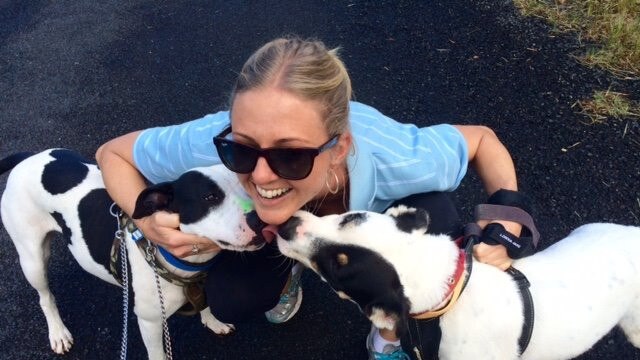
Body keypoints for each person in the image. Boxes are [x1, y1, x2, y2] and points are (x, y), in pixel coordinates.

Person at [96, 36, 528, 360]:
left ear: (338, 148)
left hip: (374, 213)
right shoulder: (209, 142)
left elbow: (482, 142)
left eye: (291, 155)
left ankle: (391, 334)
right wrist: (145, 219)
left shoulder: (399, 156)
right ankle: (292, 271)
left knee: (439, 223)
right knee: (230, 299)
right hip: (263, 226)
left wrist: (503, 225)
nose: (261, 173)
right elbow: (111, 153)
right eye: (242, 149)